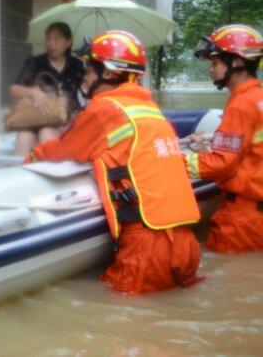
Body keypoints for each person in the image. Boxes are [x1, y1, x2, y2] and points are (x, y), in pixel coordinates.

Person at [27, 30, 201, 294]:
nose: (84, 78)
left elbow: (66, 149)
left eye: (88, 71)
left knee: (126, 320)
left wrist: (32, 156)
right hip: (186, 242)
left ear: (107, 73)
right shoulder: (149, 109)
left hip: (148, 246)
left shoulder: (105, 108)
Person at [184, 24, 263, 253]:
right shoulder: (257, 97)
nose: (210, 69)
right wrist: (212, 142)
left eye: (215, 62)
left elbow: (222, 163)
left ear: (237, 62)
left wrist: (172, 161)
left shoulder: (241, 104)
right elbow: (250, 148)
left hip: (243, 217)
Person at [11, 22, 84, 156]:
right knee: (24, 137)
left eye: (57, 39)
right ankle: (18, 173)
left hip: (67, 118)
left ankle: (54, 172)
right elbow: (14, 90)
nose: (51, 43)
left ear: (68, 42)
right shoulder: (35, 63)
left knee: (47, 133)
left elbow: (86, 90)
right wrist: (33, 93)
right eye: (49, 39)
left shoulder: (77, 65)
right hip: (37, 116)